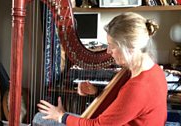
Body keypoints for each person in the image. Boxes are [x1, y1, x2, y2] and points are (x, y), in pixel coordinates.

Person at [37, 12, 168, 126]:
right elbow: (126, 105)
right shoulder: (154, 69)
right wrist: (96, 92)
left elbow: (97, 125)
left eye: (112, 46)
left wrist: (61, 116)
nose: (108, 51)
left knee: (39, 119)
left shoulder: (138, 87)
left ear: (130, 48)